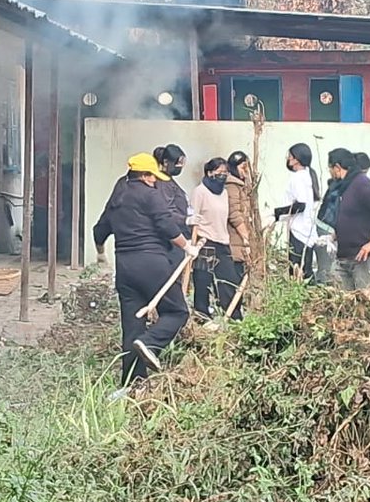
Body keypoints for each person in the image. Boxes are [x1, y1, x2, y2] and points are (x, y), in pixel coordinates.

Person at [93, 153, 199, 387]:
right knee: (177, 312)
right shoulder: (149, 195)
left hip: (125, 269)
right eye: (152, 176)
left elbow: (99, 230)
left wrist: (101, 254)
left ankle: (132, 386)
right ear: (143, 175)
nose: (155, 181)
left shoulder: (117, 198)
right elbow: (165, 224)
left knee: (132, 329)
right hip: (152, 264)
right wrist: (187, 246)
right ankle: (151, 343)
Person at [326, 147, 370, 290]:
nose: (330, 172)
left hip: (362, 258)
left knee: (364, 302)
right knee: (341, 304)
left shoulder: (361, 183)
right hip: (343, 256)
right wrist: (334, 235)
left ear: (337, 167)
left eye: (330, 168)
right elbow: (351, 215)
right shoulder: (344, 186)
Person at [188, 159, 242, 321]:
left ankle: (233, 315)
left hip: (222, 241)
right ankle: (202, 315)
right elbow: (193, 216)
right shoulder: (200, 192)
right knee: (203, 280)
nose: (222, 176)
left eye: (225, 173)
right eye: (219, 172)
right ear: (209, 173)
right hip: (205, 241)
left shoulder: (224, 193)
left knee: (229, 280)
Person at [281, 143, 320, 282]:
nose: (288, 158)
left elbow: (300, 205)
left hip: (298, 231)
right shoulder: (308, 176)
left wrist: (277, 214)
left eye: (290, 155)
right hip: (307, 230)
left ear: (296, 159)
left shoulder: (297, 178)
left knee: (297, 273)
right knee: (305, 270)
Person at [224, 150, 254, 317]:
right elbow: (234, 214)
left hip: (242, 241)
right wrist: (247, 238)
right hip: (236, 241)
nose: (246, 171)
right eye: (243, 167)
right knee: (234, 279)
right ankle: (234, 315)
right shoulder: (231, 186)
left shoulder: (244, 185)